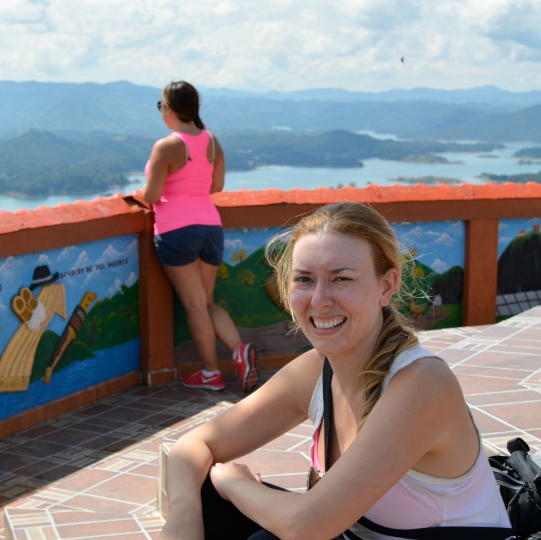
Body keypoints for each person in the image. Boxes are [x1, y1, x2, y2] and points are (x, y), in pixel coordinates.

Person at [160, 202, 512, 539]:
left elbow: (306, 526)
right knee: (205, 494)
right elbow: (192, 445)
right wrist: (183, 517)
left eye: (341, 279)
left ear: (385, 286)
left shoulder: (422, 384)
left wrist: (239, 484)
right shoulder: (316, 372)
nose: (320, 299)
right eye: (304, 280)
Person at [141, 80, 258, 393]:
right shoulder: (213, 142)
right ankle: (239, 350)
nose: (161, 111)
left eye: (161, 105)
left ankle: (210, 373)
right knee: (206, 302)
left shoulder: (166, 146)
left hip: (176, 230)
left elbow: (152, 194)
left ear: (172, 109)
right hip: (210, 227)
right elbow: (216, 186)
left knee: (194, 306)